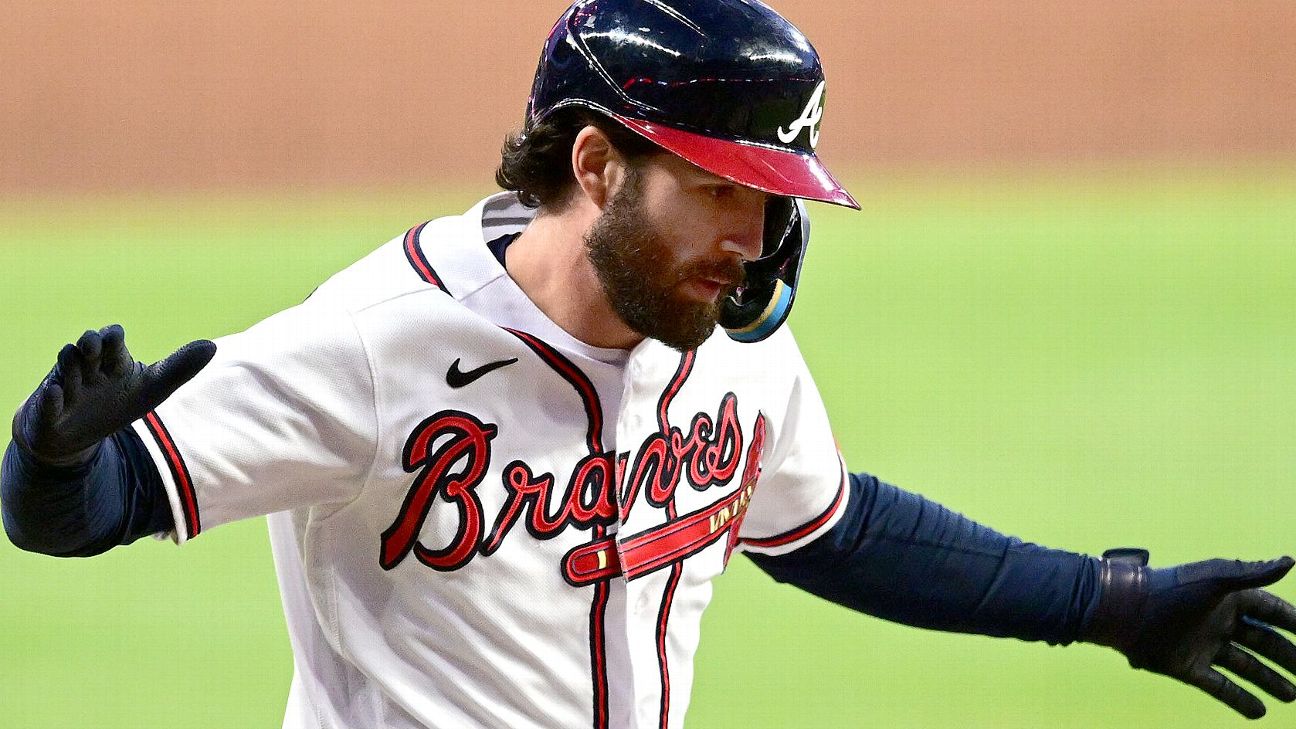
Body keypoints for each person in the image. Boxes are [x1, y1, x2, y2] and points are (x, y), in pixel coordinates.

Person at [3, 1, 1293, 727]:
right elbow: (88, 514)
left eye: (779, 196)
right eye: (723, 189)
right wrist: (53, 458)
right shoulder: (374, 346)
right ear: (598, 165)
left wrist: (1109, 604)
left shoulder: (719, 329)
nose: (757, 238)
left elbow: (834, 529)